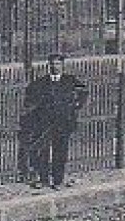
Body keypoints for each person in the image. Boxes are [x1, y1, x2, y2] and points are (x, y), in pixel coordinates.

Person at [31, 54, 88, 190]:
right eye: (52, 64)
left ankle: (58, 180)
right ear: (48, 66)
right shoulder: (42, 82)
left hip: (63, 122)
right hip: (45, 123)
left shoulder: (70, 80)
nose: (54, 67)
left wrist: (76, 105)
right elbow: (34, 99)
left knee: (60, 152)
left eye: (57, 64)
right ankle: (43, 179)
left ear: (62, 66)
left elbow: (84, 91)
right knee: (43, 151)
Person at [18, 63, 52, 187]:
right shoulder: (32, 93)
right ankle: (29, 173)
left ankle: (40, 175)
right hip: (32, 123)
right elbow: (28, 107)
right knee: (31, 148)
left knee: (42, 149)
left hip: (44, 123)